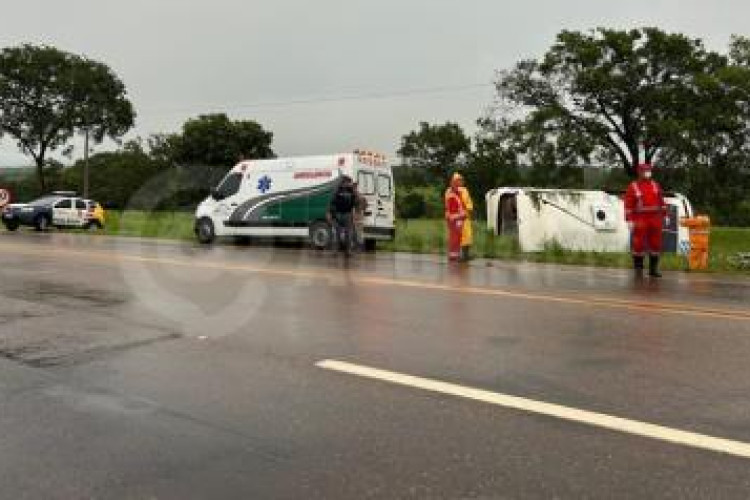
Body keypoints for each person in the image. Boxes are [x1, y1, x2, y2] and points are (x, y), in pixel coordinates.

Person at [624, 162, 667, 278]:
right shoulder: (633, 186)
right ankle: (638, 268)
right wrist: (629, 220)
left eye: (649, 171)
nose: (648, 173)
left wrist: (665, 215)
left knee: (656, 243)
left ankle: (653, 270)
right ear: (640, 172)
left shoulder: (655, 185)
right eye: (645, 171)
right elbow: (628, 205)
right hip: (640, 218)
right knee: (639, 243)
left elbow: (661, 201)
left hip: (655, 218)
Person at [445, 173, 474, 261]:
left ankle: (465, 255)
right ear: (453, 181)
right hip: (454, 218)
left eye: (461, 180)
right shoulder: (449, 191)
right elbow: (449, 205)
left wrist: (468, 210)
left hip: (464, 217)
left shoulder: (464, 190)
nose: (460, 181)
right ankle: (454, 256)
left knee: (467, 236)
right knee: (455, 237)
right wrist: (452, 216)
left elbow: (468, 202)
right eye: (458, 180)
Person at [328, 176, 356, 256]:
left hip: (347, 214)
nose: (349, 183)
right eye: (348, 182)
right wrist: (330, 214)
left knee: (348, 234)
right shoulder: (337, 190)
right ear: (344, 182)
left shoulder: (351, 191)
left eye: (349, 182)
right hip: (338, 214)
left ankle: (347, 251)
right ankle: (335, 251)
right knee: (336, 234)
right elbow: (332, 203)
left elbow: (354, 203)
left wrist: (353, 214)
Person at [352, 181, 368, 251]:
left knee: (356, 232)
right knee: (359, 232)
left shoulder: (355, 195)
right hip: (360, 215)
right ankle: (360, 246)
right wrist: (363, 211)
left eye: (353, 187)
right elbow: (366, 205)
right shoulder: (361, 195)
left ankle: (358, 246)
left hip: (356, 215)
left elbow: (352, 206)